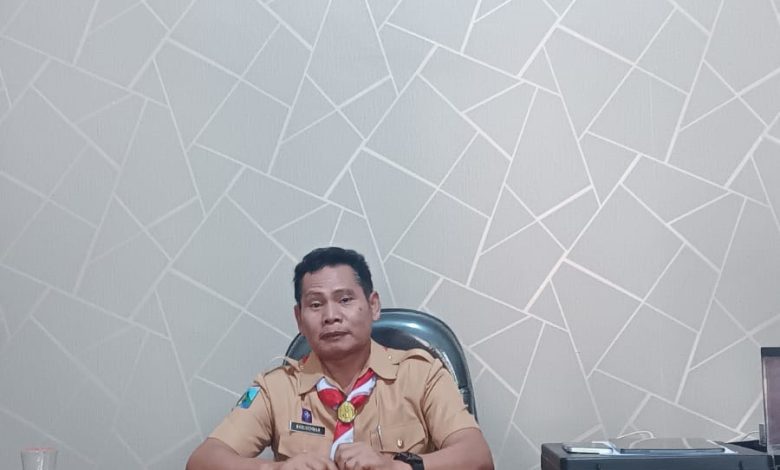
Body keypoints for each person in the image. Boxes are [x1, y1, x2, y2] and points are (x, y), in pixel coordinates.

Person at [187, 247, 494, 470]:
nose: (331, 315)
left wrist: (397, 467)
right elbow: (202, 461)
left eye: (345, 299)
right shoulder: (276, 388)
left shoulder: (420, 374)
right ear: (299, 318)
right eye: (315, 304)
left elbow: (477, 457)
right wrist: (276, 469)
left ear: (373, 306)